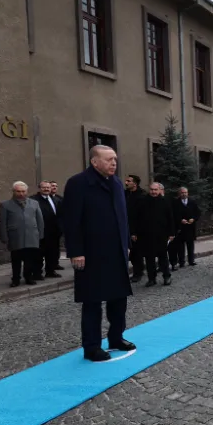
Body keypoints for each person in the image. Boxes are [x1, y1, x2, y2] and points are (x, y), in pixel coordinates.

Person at [63, 145, 135, 362]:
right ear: (94, 162)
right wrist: (76, 251)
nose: (114, 163)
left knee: (118, 299)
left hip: (116, 251)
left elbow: (123, 216)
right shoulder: (78, 183)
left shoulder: (116, 183)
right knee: (92, 301)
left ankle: (116, 337)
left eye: (115, 159)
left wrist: (126, 243)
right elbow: (71, 221)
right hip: (91, 253)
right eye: (108, 159)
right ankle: (92, 346)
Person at [0, 181, 45, 287]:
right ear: (13, 191)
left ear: (27, 191)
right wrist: (4, 237)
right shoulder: (5, 205)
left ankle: (28, 277)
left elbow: (39, 220)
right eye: (18, 191)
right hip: (15, 237)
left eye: (23, 191)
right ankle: (15, 279)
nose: (21, 194)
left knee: (30, 260)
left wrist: (40, 234)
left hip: (31, 236)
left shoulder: (34, 203)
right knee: (16, 261)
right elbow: (2, 222)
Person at [134, 182, 173, 286]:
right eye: (152, 189)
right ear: (149, 190)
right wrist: (134, 232)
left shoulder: (165, 201)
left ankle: (166, 276)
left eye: (155, 190)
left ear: (159, 190)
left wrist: (171, 233)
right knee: (149, 258)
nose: (153, 192)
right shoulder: (142, 201)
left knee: (163, 257)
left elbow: (170, 218)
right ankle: (152, 278)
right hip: (146, 235)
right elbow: (136, 218)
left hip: (161, 235)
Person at [31, 181, 62, 279]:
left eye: (48, 187)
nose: (46, 189)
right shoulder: (33, 200)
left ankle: (50, 271)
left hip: (54, 232)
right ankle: (37, 273)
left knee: (52, 253)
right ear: (39, 188)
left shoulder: (56, 199)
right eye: (44, 187)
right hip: (40, 232)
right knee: (38, 254)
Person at [171, 186, 201, 269]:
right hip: (180, 227)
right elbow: (173, 214)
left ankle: (191, 260)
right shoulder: (175, 202)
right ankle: (181, 261)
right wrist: (180, 220)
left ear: (188, 193)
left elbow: (198, 212)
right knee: (180, 246)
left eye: (185, 192)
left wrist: (194, 219)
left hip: (190, 227)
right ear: (179, 193)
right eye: (182, 192)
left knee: (190, 245)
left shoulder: (192, 201)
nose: (184, 194)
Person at [124, 175, 145, 282]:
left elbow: (141, 216)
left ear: (135, 184)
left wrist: (135, 232)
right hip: (126, 228)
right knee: (131, 253)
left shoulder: (141, 196)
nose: (126, 182)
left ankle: (138, 272)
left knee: (136, 252)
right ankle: (139, 270)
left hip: (136, 230)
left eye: (128, 181)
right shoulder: (125, 193)